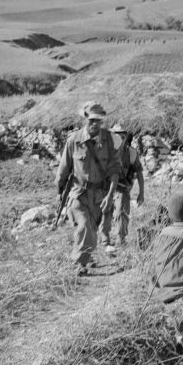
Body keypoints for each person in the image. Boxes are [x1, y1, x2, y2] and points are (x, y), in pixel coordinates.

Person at [55, 102, 121, 276]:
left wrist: (110, 194)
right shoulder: (73, 141)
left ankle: (88, 256)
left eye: (98, 120)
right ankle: (80, 264)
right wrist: (59, 192)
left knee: (91, 229)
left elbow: (115, 170)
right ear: (86, 118)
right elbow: (63, 169)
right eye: (92, 120)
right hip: (79, 194)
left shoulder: (108, 140)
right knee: (83, 226)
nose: (95, 124)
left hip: (100, 195)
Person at [100, 124, 145, 252]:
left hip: (122, 187)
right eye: (116, 135)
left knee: (121, 212)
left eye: (122, 135)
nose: (119, 137)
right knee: (105, 212)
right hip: (105, 186)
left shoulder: (131, 153)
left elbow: (139, 173)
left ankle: (121, 238)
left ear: (126, 137)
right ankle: (105, 238)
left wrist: (141, 193)